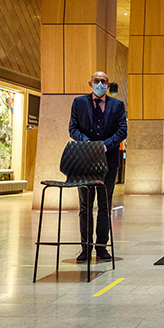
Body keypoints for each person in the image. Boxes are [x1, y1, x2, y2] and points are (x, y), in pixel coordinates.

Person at [69, 71, 127, 262]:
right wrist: (87, 142)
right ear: (90, 83)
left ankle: (101, 248)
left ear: (108, 85)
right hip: (84, 163)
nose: (100, 84)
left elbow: (122, 131)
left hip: (108, 164)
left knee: (104, 206)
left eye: (103, 81)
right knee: (85, 207)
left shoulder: (117, 106)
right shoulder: (79, 103)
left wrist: (105, 145)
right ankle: (85, 248)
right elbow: (73, 128)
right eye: (96, 81)